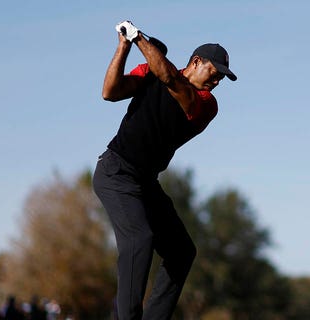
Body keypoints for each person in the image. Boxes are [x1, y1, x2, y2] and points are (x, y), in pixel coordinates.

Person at [93, 20, 237, 320]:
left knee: (181, 251)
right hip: (115, 173)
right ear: (196, 62)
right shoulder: (149, 74)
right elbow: (110, 92)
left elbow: (172, 80)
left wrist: (139, 39)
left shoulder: (206, 104)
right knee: (139, 239)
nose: (217, 81)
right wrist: (124, 47)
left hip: (145, 183)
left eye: (222, 78)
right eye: (215, 73)